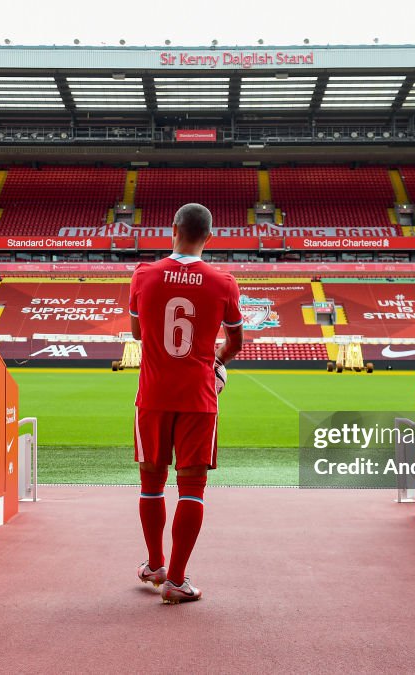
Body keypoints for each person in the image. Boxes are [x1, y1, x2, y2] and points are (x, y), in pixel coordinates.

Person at [128, 202, 244, 604]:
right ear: (209, 237)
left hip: (154, 395)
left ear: (173, 228)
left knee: (151, 482)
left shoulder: (143, 275)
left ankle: (155, 564)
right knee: (192, 487)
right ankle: (177, 580)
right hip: (199, 397)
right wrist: (216, 362)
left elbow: (139, 332)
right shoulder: (224, 282)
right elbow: (236, 344)